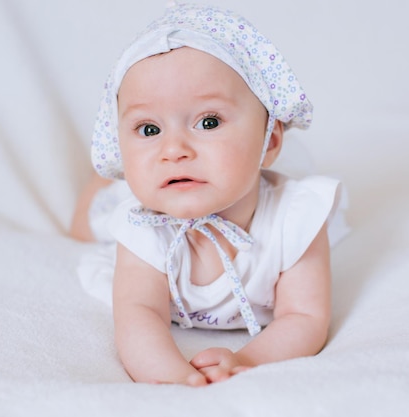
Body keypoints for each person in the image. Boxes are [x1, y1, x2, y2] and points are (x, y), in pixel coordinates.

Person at [71, 3, 347, 386]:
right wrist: (172, 377)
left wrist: (247, 359)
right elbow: (139, 316)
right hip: (154, 200)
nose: (174, 149)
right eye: (149, 130)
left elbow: (305, 317)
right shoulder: (142, 229)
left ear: (269, 141)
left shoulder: (295, 218)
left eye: (208, 122)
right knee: (89, 224)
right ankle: (99, 186)